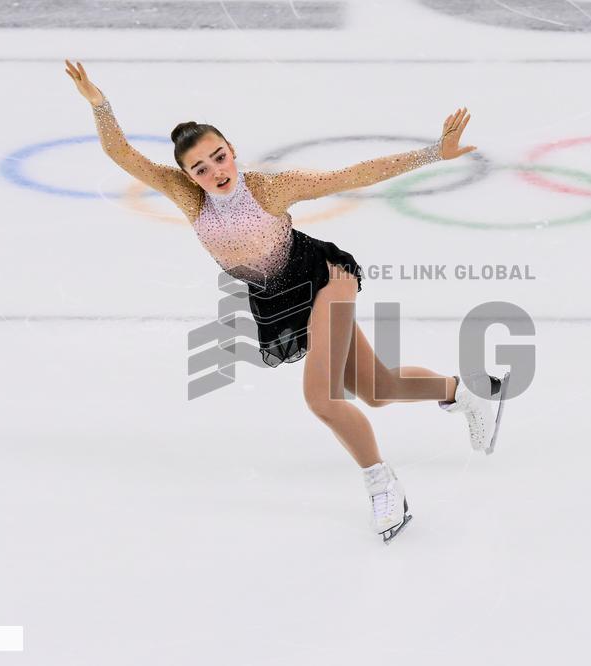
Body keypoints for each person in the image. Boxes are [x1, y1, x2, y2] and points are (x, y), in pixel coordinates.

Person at [64, 60, 507, 544]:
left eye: (218, 156)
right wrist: (99, 104)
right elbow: (120, 153)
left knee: (321, 398)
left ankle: (382, 484)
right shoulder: (188, 198)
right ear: (188, 175)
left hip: (325, 279)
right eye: (200, 167)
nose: (214, 171)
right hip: (281, 302)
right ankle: (465, 392)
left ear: (231, 150)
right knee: (377, 388)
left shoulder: (270, 188)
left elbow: (352, 175)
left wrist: (432, 153)